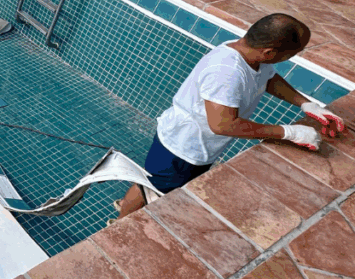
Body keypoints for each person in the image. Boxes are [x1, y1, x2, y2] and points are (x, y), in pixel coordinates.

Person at [119, 13, 346, 218]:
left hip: (198, 146)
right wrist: (288, 132)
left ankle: (136, 202)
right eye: (293, 53)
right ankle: (120, 221)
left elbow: (268, 78)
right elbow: (223, 125)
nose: (295, 56)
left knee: (157, 184)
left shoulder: (248, 52)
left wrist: (306, 104)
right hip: (182, 148)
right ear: (269, 52)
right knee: (148, 187)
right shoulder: (227, 72)